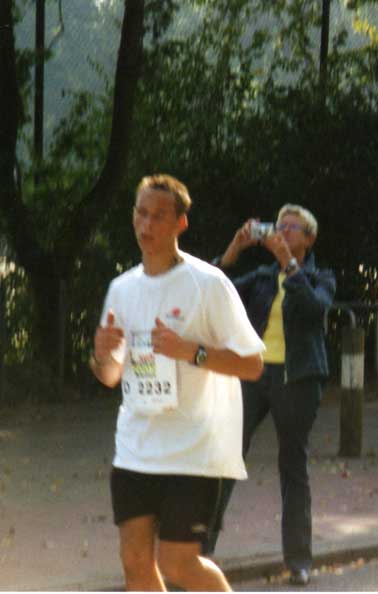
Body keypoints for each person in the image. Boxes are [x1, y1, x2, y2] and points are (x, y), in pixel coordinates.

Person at [91, 174, 265, 592]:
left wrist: (194, 352)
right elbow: (111, 376)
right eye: (141, 214)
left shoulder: (208, 284)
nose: (147, 226)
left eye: (159, 216)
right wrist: (102, 354)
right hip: (136, 447)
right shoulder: (121, 288)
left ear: (180, 223)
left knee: (178, 563)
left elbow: (253, 364)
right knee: (135, 564)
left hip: (193, 450)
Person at [203, 204, 336, 586]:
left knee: (292, 465)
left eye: (293, 228)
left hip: (299, 379)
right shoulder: (261, 276)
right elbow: (213, 289)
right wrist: (233, 250)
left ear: (309, 240)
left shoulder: (320, 277)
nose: (284, 233)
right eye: (280, 227)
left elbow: (314, 310)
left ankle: (299, 561)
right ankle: (199, 554)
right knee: (226, 458)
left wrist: (289, 266)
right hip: (254, 375)